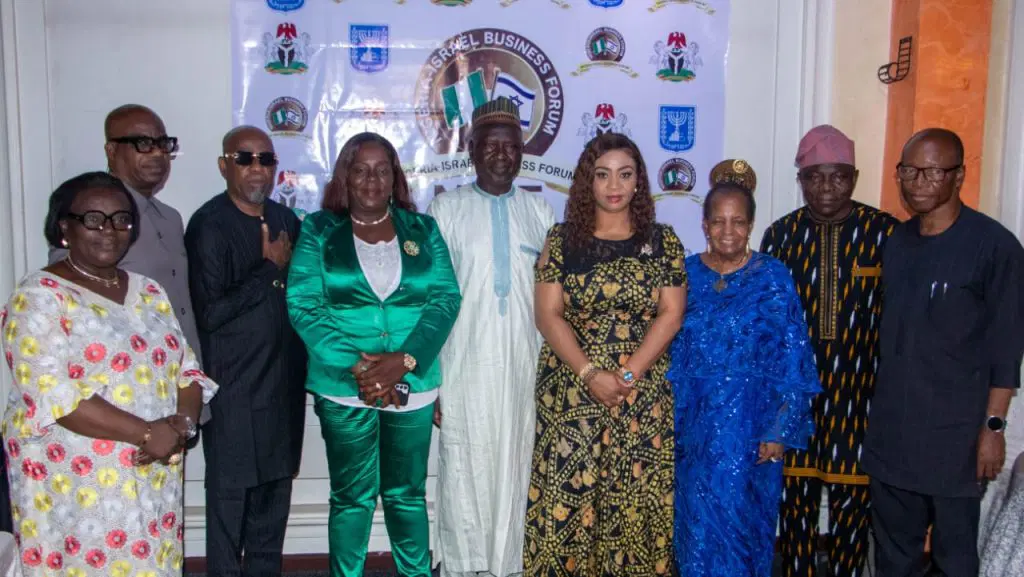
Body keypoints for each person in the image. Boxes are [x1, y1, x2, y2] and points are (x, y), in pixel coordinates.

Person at [2, 171, 218, 576]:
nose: (109, 230)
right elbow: (55, 396)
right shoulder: (38, 296)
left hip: (154, 470)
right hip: (78, 483)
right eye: (93, 219)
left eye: (121, 219)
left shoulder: (148, 291)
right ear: (64, 227)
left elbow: (187, 370)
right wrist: (148, 433)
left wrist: (181, 425)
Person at [286, 132, 461, 577]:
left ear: (395, 177)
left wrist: (404, 360)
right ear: (345, 176)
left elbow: (445, 300)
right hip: (345, 386)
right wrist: (362, 366)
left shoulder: (422, 230)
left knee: (407, 495)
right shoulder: (318, 230)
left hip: (412, 383)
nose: (372, 180)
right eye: (361, 170)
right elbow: (304, 305)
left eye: (382, 170)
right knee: (352, 497)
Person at [863, 128, 1024, 576]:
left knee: (955, 560)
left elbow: (1007, 348)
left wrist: (993, 429)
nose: (918, 182)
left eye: (932, 172)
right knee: (894, 558)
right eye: (908, 171)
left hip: (956, 441)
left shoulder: (995, 247)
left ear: (958, 176)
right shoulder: (897, 242)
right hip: (893, 435)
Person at [524, 132, 686, 577]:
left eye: (625, 174)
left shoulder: (663, 242)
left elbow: (671, 315)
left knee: (634, 504)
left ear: (638, 182)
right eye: (603, 175)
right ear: (587, 182)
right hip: (571, 392)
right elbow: (547, 315)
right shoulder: (561, 241)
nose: (614, 185)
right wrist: (591, 374)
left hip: (642, 396)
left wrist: (627, 376)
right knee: (567, 505)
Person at [669, 160, 820, 577]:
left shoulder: (772, 277)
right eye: (718, 221)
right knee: (694, 529)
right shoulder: (685, 274)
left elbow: (794, 355)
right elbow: (669, 348)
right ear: (704, 225)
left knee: (743, 529)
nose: (728, 231)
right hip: (693, 431)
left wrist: (780, 429)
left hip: (753, 431)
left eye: (738, 222)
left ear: (751, 225)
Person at [760, 126, 899, 577]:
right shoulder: (781, 236)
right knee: (794, 506)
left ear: (854, 178)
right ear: (800, 180)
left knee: (853, 508)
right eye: (814, 176)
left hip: (861, 397)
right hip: (796, 396)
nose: (826, 187)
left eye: (837, 176)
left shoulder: (886, 234)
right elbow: (768, 324)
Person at [427, 98, 556, 577]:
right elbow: (430, 302)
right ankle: (465, 567)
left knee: (518, 467)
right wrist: (432, 380)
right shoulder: (446, 209)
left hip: (525, 369)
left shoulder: (539, 211)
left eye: (512, 146)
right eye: (492, 145)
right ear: (472, 149)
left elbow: (555, 302)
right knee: (465, 470)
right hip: (462, 368)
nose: (502, 154)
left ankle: (511, 566)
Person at [184, 126, 307, 576]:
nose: (257, 168)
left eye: (266, 159)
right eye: (245, 158)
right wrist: (268, 268)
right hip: (233, 391)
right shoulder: (209, 225)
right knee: (229, 510)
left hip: (282, 387)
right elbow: (211, 313)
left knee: (272, 510)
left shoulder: (286, 219)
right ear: (224, 166)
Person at [49, 105, 201, 361]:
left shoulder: (170, 219)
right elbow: (64, 295)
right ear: (111, 151)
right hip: (124, 369)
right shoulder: (88, 215)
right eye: (143, 143)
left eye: (163, 144)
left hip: (182, 367)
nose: (157, 153)